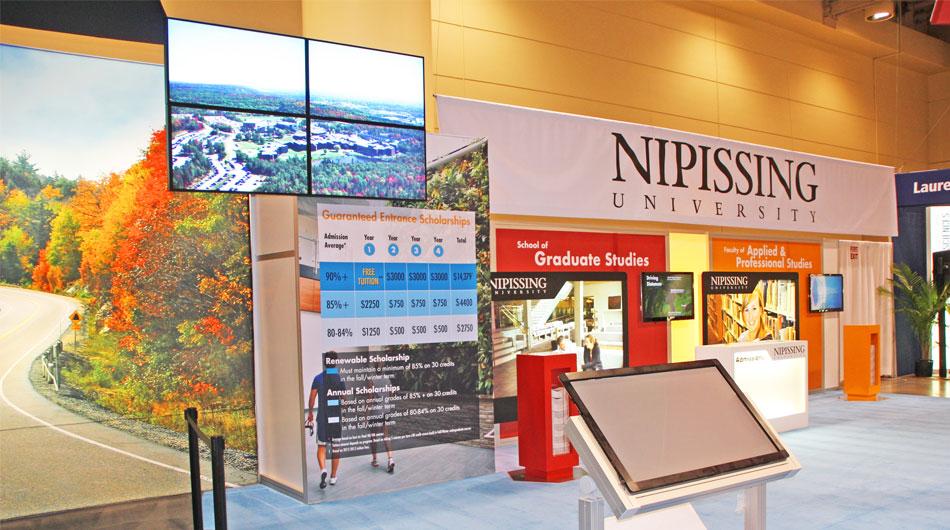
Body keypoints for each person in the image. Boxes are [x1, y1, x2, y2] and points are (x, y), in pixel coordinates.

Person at [306, 350, 345, 489]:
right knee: (336, 447)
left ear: (325, 362)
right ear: (335, 362)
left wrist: (310, 413)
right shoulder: (339, 379)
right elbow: (344, 399)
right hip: (335, 418)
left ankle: (323, 469)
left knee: (321, 446)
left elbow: (312, 398)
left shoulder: (318, 378)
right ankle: (333, 477)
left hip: (322, 418)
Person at [369, 361, 395, 474]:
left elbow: (370, 399)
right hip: (386, 410)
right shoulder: (387, 379)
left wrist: (366, 415)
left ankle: (375, 460)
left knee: (373, 436)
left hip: (376, 411)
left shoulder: (372, 380)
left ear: (375, 368)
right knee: (386, 436)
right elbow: (391, 395)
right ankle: (390, 459)